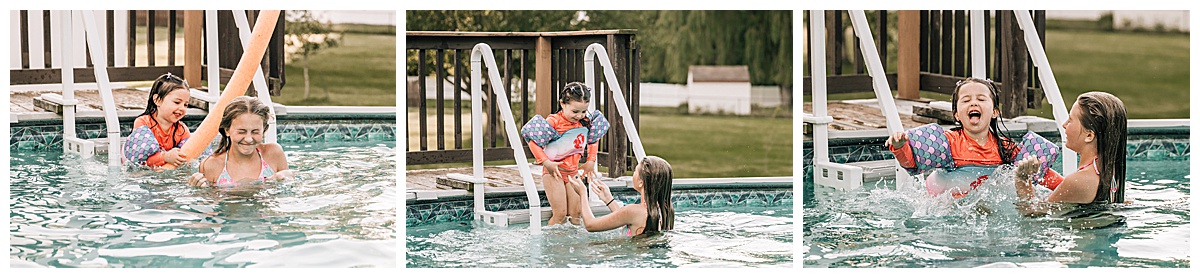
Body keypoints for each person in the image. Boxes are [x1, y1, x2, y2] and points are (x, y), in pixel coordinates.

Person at [886, 77, 1063, 196]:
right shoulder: (948, 143)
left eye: (981, 99)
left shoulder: (1005, 149)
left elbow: (1038, 173)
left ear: (994, 112)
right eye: (966, 100)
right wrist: (901, 147)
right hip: (950, 208)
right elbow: (912, 163)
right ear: (957, 115)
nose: (973, 102)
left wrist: (1067, 187)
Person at [1016, 91, 1127, 205]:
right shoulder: (1110, 170)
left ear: (1089, 135)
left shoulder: (1079, 180)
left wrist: (1022, 179)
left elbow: (1032, 213)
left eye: (1070, 120)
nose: (1064, 124)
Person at [528, 82, 604, 225]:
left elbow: (594, 139)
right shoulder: (553, 121)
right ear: (562, 104)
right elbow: (533, 142)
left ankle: (573, 245)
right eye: (575, 112)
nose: (579, 116)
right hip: (554, 173)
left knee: (576, 214)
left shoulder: (584, 122)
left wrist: (591, 161)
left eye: (583, 111)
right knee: (560, 214)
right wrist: (546, 162)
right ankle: (550, 246)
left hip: (573, 172)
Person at [188, 96, 293, 189]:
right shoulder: (212, 165)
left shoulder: (273, 153)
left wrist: (287, 178)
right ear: (227, 130)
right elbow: (210, 205)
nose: (248, 139)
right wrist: (199, 190)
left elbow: (286, 196)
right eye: (241, 132)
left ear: (264, 130)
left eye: (255, 132)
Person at [567, 156, 674, 236]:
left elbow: (590, 225)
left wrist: (582, 193)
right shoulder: (664, 209)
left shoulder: (634, 210)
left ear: (641, 182)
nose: (633, 175)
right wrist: (609, 200)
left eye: (635, 171)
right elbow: (627, 218)